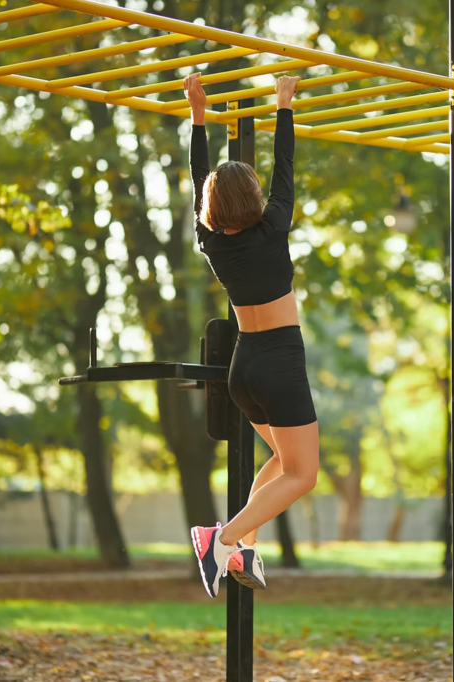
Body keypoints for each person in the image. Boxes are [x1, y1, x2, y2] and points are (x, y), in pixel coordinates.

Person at [182, 72, 318, 598]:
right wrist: (283, 103)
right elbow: (283, 169)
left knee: (286, 462)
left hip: (246, 366)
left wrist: (199, 116)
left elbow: (201, 180)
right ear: (254, 198)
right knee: (303, 475)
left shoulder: (210, 239)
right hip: (280, 361)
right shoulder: (273, 226)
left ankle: (242, 547)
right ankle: (221, 537)